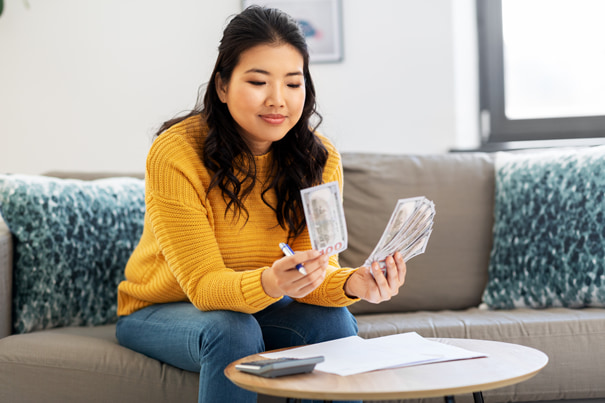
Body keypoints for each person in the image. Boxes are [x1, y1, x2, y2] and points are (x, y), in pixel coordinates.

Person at [115, 5, 406, 403]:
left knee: (335, 320)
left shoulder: (320, 159)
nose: (278, 100)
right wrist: (271, 282)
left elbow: (318, 274)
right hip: (161, 309)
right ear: (222, 85)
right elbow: (202, 287)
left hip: (259, 306)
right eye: (257, 81)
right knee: (231, 328)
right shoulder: (176, 153)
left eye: (292, 83)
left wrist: (356, 284)